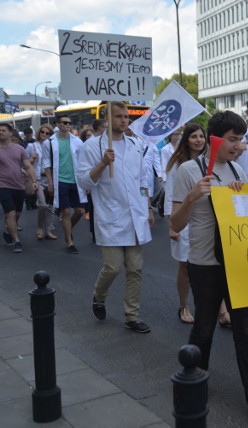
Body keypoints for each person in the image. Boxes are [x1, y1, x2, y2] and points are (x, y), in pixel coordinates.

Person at [170, 110, 248, 419]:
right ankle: (195, 378)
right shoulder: (189, 172)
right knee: (204, 329)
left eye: (241, 139)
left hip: (238, 263)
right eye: (232, 139)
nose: (238, 145)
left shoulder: (237, 170)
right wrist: (193, 197)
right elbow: (176, 224)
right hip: (205, 263)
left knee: (246, 331)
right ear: (215, 139)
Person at [77, 101, 154, 334]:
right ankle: (98, 297)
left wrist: (148, 207)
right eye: (119, 116)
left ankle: (132, 316)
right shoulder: (92, 146)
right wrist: (102, 163)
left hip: (136, 216)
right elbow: (84, 182)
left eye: (126, 116)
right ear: (107, 119)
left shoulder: (134, 145)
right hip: (111, 216)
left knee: (135, 268)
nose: (124, 120)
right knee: (112, 267)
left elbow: (142, 180)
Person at [164, 124, 205, 325]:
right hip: (183, 219)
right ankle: (184, 305)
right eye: (194, 136)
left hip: (205, 219)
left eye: (201, 136)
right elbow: (171, 194)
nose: (199, 140)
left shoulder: (209, 162)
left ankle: (220, 308)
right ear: (186, 139)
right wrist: (172, 225)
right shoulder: (177, 164)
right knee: (186, 267)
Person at [42, 114, 87, 254]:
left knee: (80, 211)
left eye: (69, 123)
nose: (68, 125)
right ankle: (69, 241)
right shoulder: (48, 142)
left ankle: (68, 229)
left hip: (76, 181)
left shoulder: (77, 141)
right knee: (66, 211)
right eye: (65, 123)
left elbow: (82, 163)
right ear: (58, 124)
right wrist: (50, 183)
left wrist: (85, 182)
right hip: (60, 181)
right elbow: (47, 165)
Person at [0, 123, 38, 253]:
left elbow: (28, 166)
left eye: (3, 130)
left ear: (11, 133)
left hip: (18, 185)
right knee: (10, 213)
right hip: (3, 185)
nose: (1, 132)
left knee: (17, 213)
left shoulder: (19, 149)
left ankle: (7, 231)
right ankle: (17, 241)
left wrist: (34, 180)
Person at [26, 124, 57, 241]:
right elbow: (24, 163)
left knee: (50, 206)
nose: (44, 134)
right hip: (38, 179)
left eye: (47, 133)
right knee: (42, 204)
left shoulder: (53, 147)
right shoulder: (32, 146)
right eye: (42, 132)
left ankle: (48, 229)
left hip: (51, 178)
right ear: (39, 133)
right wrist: (32, 159)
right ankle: (40, 227)